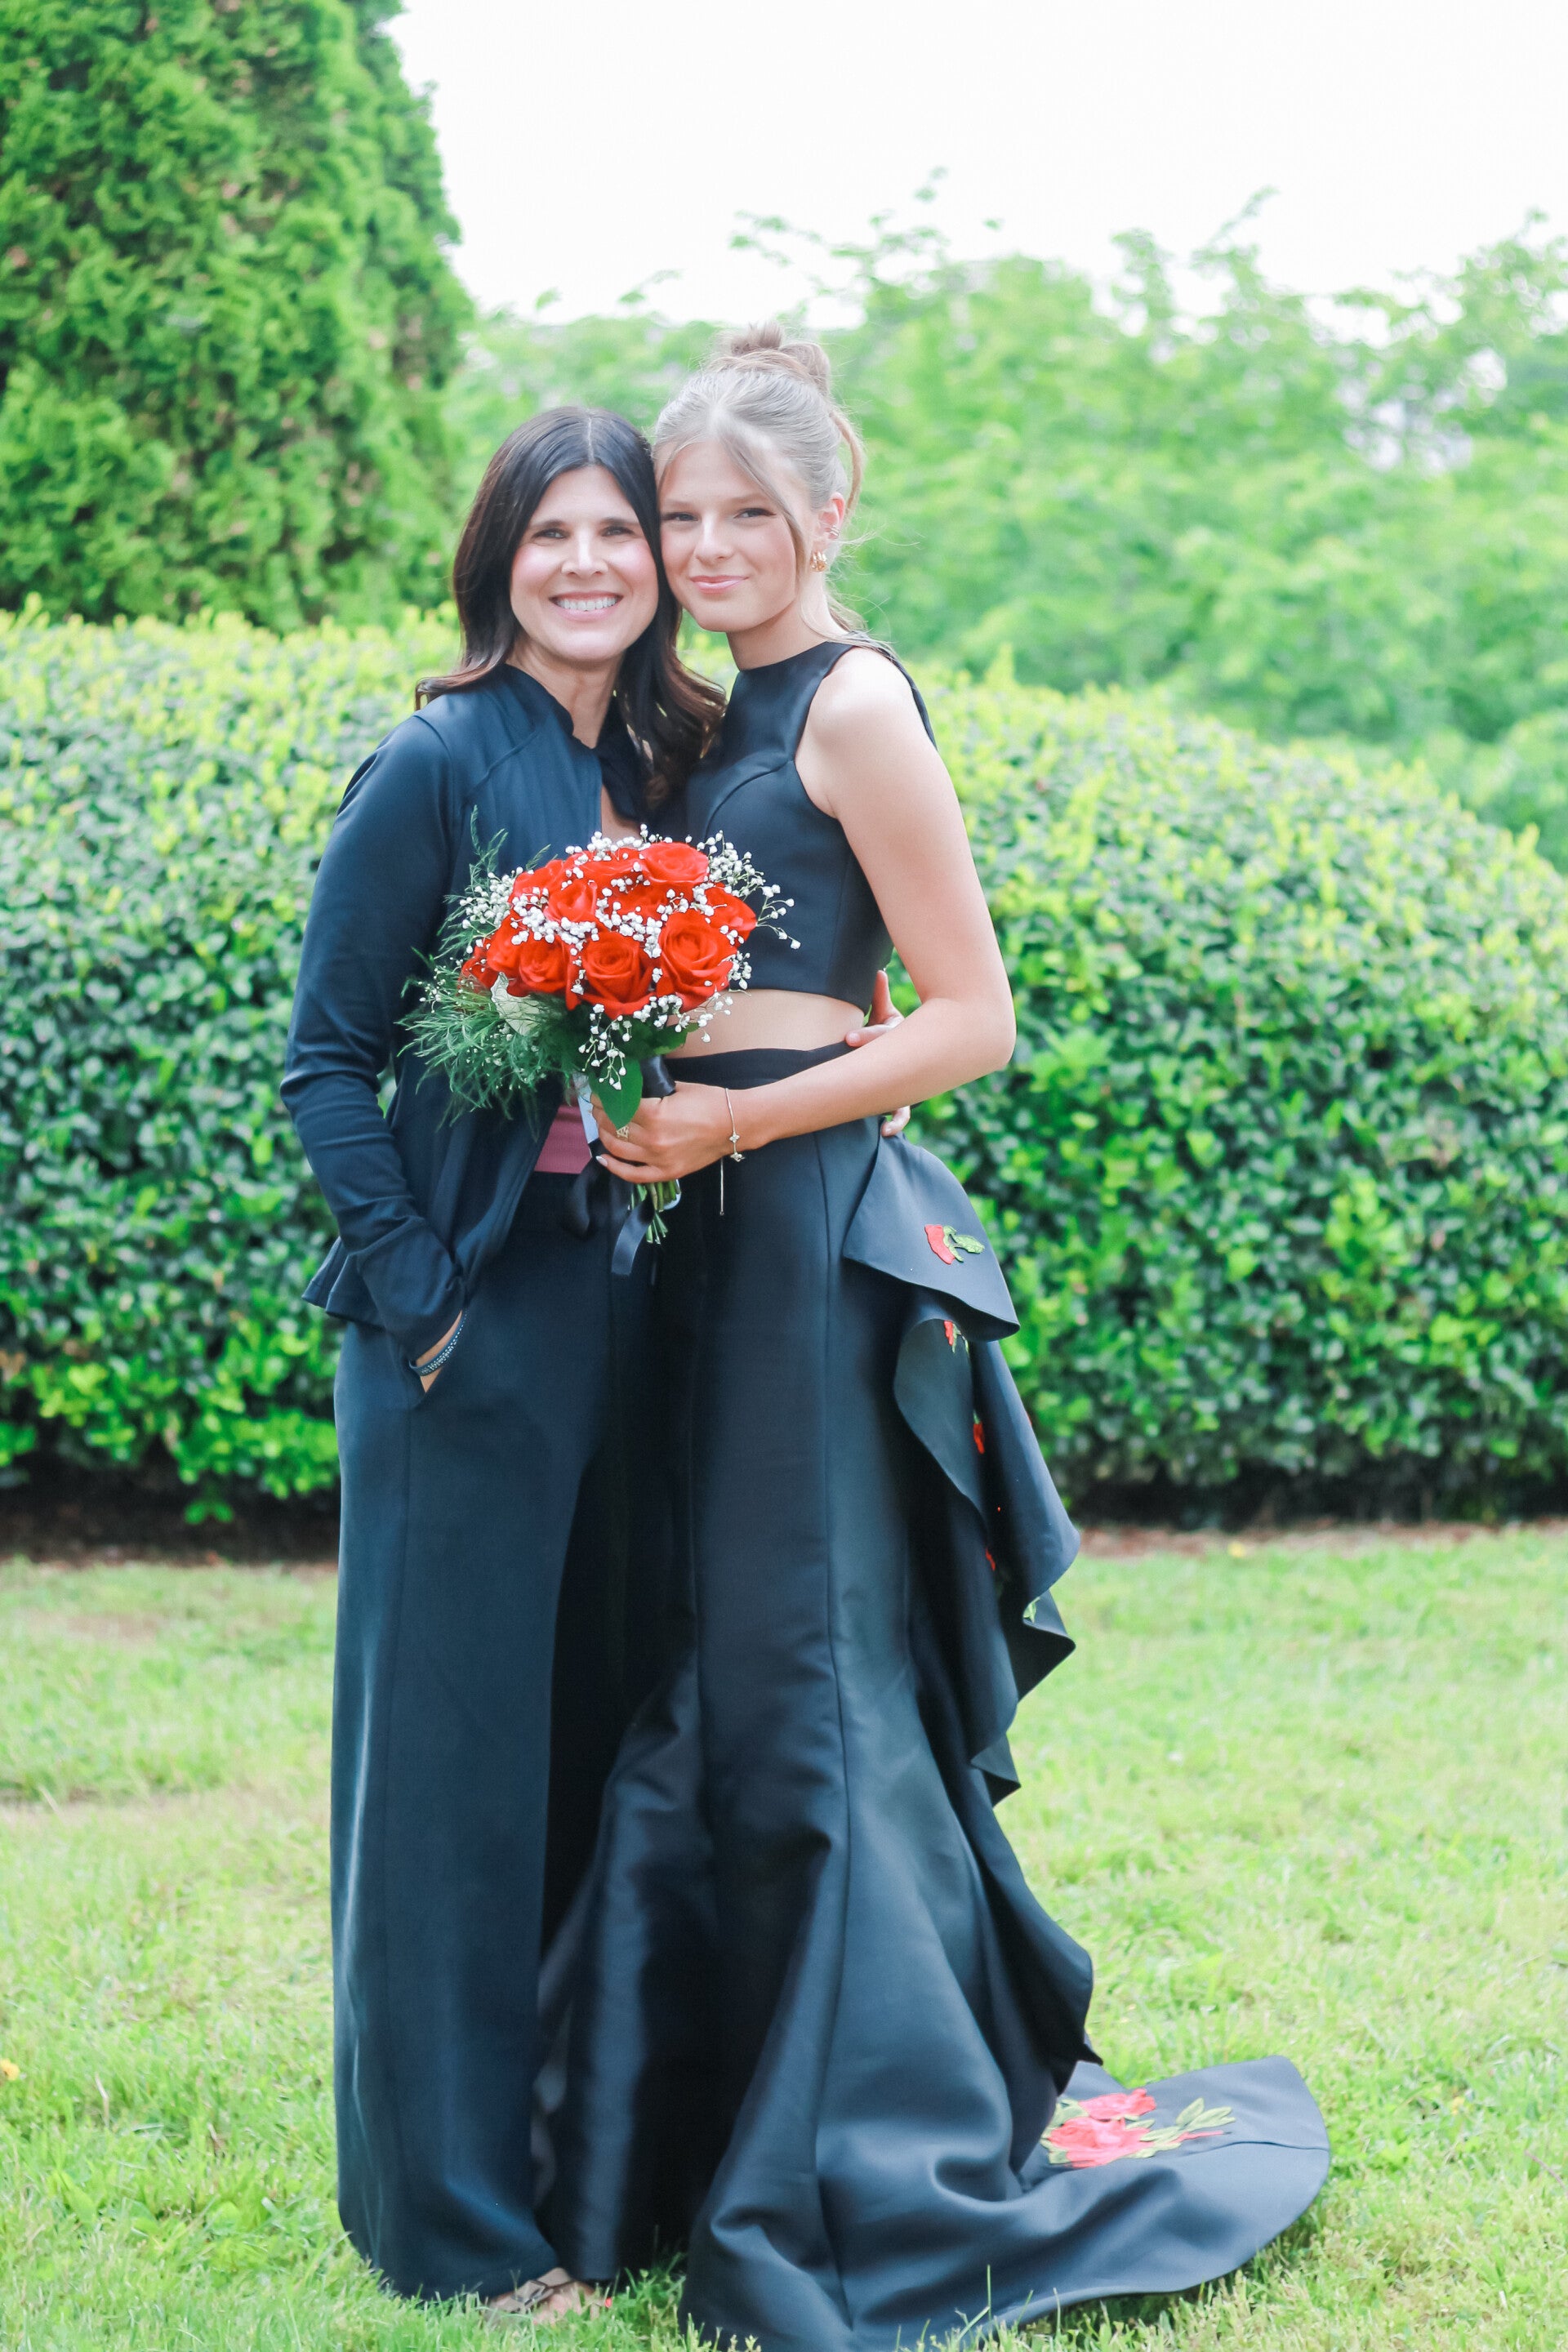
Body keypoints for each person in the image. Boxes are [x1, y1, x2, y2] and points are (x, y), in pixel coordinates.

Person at [541, 330, 1330, 2348]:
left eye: (749, 510)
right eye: (684, 513)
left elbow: (972, 1019)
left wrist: (737, 1123)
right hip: (703, 1229)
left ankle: (853, 2157)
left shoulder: (860, 703)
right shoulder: (718, 708)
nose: (709, 546)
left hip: (803, 1238)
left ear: (831, 512)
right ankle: (670, 2139)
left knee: (797, 1675)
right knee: (728, 1669)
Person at [281, 408, 718, 2314]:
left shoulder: (666, 764)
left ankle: (588, 2178)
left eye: (619, 531)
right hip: (470, 1326)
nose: (589, 564)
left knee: (600, 1748)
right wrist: (424, 1302)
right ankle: (454, 2233)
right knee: (449, 1790)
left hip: (634, 1310)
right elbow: (325, 1061)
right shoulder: (440, 759)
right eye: (553, 534)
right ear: (499, 560)